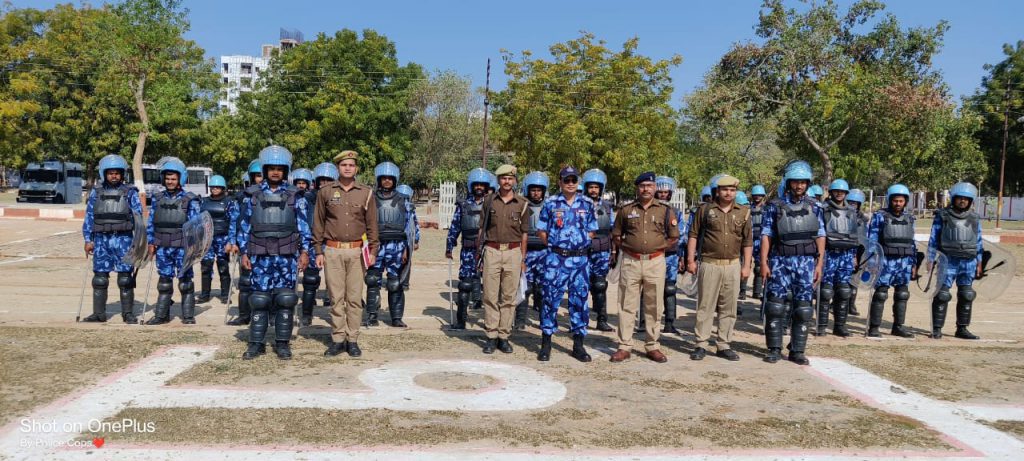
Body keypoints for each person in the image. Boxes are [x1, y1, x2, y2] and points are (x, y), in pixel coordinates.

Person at [237, 146, 313, 360]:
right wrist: (244, 252)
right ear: (265, 170)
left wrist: (305, 252)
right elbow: (244, 226)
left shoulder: (295, 196)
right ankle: (256, 344)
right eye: (271, 169)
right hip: (259, 255)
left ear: (285, 171)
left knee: (285, 299)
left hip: (286, 256)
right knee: (259, 300)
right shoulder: (252, 196)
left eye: (279, 169)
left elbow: (303, 227)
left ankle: (282, 343)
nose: (275, 172)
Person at [759, 160, 826, 365]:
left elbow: (821, 235)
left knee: (804, 308)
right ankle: (774, 348)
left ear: (807, 184)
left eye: (803, 182)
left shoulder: (816, 207)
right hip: (780, 260)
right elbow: (766, 234)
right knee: (775, 306)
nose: (799, 186)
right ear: (788, 183)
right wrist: (764, 262)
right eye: (795, 182)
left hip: (806, 262)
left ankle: (797, 350)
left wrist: (819, 265)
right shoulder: (774, 206)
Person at [609, 172, 680, 363]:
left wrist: (658, 248)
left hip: (655, 262)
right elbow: (616, 235)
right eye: (642, 186)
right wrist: (628, 248)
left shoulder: (665, 210)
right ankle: (624, 345)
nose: (646, 189)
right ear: (637, 188)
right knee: (626, 304)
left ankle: (652, 345)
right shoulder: (626, 210)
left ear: (655, 187)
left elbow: (674, 236)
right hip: (631, 262)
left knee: (654, 305)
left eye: (649, 185)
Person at [315, 150, 379, 358]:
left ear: (356, 168)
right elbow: (318, 223)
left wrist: (373, 250)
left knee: (354, 298)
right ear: (338, 168)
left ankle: (352, 340)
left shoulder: (366, 192)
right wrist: (318, 250)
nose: (348, 168)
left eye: (351, 165)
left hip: (356, 252)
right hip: (332, 251)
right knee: (335, 298)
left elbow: (372, 224)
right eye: (344, 165)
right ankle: (337, 339)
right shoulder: (325, 192)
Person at [686, 175, 752, 361]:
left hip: (732, 265)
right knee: (705, 306)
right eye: (725, 189)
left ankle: (724, 344)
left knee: (729, 307)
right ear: (717, 191)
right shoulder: (705, 210)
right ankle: (701, 344)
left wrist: (746, 266)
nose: (728, 193)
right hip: (709, 264)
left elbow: (747, 241)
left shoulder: (744, 212)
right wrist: (691, 260)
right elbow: (693, 235)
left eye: (732, 190)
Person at [536, 166, 598, 362]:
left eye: (573, 180)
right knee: (550, 299)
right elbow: (542, 231)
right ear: (560, 182)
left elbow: (592, 230)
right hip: (556, 260)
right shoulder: (551, 203)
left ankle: (578, 345)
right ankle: (546, 344)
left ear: (578, 182)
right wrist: (556, 246)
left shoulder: (587, 203)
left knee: (579, 301)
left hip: (580, 261)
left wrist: (578, 244)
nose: (570, 183)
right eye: (566, 180)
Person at [81, 154, 144, 323]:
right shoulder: (96, 193)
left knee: (125, 279)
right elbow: (89, 217)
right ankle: (99, 313)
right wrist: (88, 240)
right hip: (101, 241)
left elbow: (138, 218)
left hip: (124, 240)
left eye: (117, 173)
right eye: (110, 173)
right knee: (99, 279)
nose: (114, 176)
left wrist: (139, 243)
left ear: (122, 174)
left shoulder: (130, 193)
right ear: (104, 174)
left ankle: (128, 314)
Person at [476, 164, 529, 354]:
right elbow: (481, 229)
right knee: (490, 295)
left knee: (508, 297)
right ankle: (491, 336)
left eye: (510, 178)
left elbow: (524, 234)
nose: (507, 182)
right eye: (503, 178)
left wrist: (522, 259)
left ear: (515, 181)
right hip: (492, 251)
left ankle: (503, 336)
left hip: (514, 252)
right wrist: (479, 254)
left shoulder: (522, 203)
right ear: (498, 180)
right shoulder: (489, 200)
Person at [145, 158, 202, 325]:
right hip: (163, 245)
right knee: (164, 282)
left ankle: (188, 316)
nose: (170, 181)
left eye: (173, 179)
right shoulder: (157, 198)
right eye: (167, 178)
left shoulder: (190, 200)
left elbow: (196, 225)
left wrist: (194, 247)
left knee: (185, 283)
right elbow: (151, 222)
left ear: (180, 179)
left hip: (182, 247)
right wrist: (151, 242)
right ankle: (161, 316)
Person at [928, 182, 983, 340]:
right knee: (942, 294)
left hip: (968, 261)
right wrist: (930, 259)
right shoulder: (942, 216)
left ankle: (962, 328)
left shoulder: (974, 218)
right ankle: (937, 328)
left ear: (970, 201)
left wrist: (979, 261)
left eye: (966, 199)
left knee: (967, 294)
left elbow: (978, 240)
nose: (963, 201)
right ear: (954, 199)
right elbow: (933, 238)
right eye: (960, 198)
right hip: (948, 260)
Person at [365, 162, 415, 328]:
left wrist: (407, 249)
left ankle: (396, 318)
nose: (387, 181)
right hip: (376, 245)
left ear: (395, 180)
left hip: (397, 246)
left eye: (390, 178)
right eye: (384, 178)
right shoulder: (370, 199)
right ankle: (372, 316)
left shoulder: (403, 200)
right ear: (379, 180)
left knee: (395, 283)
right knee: (372, 280)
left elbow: (410, 227)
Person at [867, 184, 917, 338]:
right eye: (895, 201)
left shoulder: (910, 218)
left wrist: (914, 263)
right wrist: (872, 262)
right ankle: (874, 328)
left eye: (901, 201)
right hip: (886, 261)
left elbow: (912, 242)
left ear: (905, 201)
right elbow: (872, 241)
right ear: (890, 200)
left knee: (902, 294)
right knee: (881, 294)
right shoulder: (880, 216)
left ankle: (898, 327)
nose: (898, 204)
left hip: (904, 262)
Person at [445, 168, 490, 329]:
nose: (479, 187)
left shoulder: (491, 204)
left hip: (489, 250)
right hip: (468, 250)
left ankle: (491, 323)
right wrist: (449, 246)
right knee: (465, 285)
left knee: (492, 287)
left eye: (482, 185)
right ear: (472, 185)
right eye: (476, 184)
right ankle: (461, 320)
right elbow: (454, 226)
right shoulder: (463, 206)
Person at [816, 179, 860, 337]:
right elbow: (819, 233)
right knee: (825, 291)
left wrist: (854, 255)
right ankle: (821, 326)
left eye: (842, 191)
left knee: (844, 291)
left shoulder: (852, 211)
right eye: (836, 191)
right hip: (829, 254)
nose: (839, 193)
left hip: (846, 254)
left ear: (846, 193)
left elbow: (855, 234)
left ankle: (840, 326)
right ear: (831, 192)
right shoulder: (823, 209)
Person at [227, 159, 264, 326]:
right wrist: (233, 241)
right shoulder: (242, 196)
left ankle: (267, 316)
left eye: (262, 175)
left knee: (266, 283)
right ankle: (244, 315)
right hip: (246, 243)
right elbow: (234, 220)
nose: (260, 179)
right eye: (257, 175)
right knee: (245, 282)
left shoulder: (277, 194)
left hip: (267, 244)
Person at [653, 176, 688, 334]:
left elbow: (681, 235)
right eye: (660, 192)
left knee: (670, 288)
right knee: (649, 289)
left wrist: (681, 256)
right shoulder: (650, 211)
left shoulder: (676, 212)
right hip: (652, 255)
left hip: (671, 256)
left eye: (666, 192)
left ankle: (669, 323)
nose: (663, 195)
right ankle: (644, 322)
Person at [582, 168, 616, 332]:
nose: (593, 190)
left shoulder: (607, 208)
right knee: (581, 286)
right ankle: (581, 320)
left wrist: (614, 252)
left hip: (602, 252)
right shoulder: (579, 205)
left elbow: (613, 231)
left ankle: (602, 320)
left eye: (596, 187)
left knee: (600, 285)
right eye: (591, 187)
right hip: (582, 251)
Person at [197, 175, 238, 304]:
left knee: (223, 267)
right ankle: (204, 295)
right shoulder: (203, 202)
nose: (214, 189)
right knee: (206, 266)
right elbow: (197, 221)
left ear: (223, 188)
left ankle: (225, 295)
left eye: (217, 187)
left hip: (223, 238)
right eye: (212, 187)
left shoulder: (229, 202)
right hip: (207, 238)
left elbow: (233, 222)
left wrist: (231, 241)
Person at [520, 171, 550, 329]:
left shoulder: (549, 207)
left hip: (545, 253)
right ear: (528, 190)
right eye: (533, 190)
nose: (536, 193)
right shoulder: (522, 206)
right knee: (525, 287)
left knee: (543, 289)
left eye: (539, 190)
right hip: (527, 252)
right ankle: (520, 321)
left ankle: (545, 321)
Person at [290, 167, 320, 327]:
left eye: (304, 183)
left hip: (311, 241)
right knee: (290, 281)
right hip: (291, 241)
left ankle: (307, 314)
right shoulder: (287, 197)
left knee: (310, 280)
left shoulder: (312, 198)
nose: (301, 185)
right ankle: (286, 312)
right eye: (298, 182)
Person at [311, 162, 340, 311]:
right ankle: (309, 302)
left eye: (328, 180)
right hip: (313, 240)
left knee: (333, 273)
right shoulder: (308, 198)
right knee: (311, 276)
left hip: (331, 240)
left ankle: (330, 297)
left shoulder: (338, 198)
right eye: (322, 180)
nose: (324, 183)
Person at [845, 188, 868, 316]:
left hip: (860, 250)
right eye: (851, 203)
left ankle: (851, 304)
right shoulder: (843, 215)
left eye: (855, 203)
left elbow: (866, 236)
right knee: (843, 278)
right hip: (847, 249)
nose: (853, 205)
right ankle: (837, 303)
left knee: (855, 278)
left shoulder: (864, 219)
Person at [396, 184, 420, 292]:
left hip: (405, 239)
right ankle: (401, 282)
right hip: (399, 239)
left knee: (403, 261)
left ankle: (403, 283)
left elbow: (415, 225)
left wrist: (416, 240)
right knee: (402, 261)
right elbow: (416, 225)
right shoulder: (396, 208)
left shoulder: (410, 209)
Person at [749, 185, 767, 300]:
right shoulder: (748, 209)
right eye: (755, 195)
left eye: (759, 195)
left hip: (761, 240)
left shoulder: (766, 209)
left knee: (759, 267)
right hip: (749, 239)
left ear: (763, 196)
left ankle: (757, 291)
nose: (757, 197)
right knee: (744, 264)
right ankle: (742, 290)